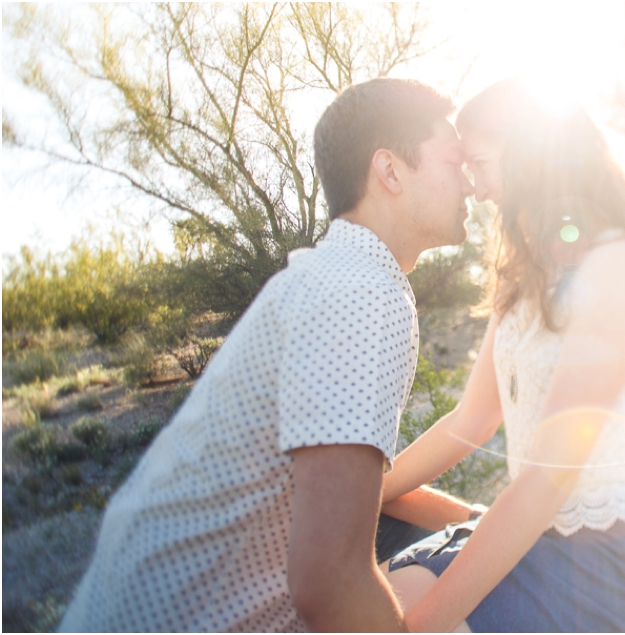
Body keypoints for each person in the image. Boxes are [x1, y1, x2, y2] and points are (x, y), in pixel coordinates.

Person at [58, 77, 478, 632]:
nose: (469, 183)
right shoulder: (363, 295)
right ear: (390, 170)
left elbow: (352, 493)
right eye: (453, 161)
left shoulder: (328, 276)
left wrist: (475, 520)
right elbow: (331, 584)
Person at [379, 79, 625, 633]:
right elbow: (471, 420)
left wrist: (421, 626)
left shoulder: (617, 265)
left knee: (399, 616)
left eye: (479, 163)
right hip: (549, 529)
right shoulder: (524, 277)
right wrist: (369, 492)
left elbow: (549, 477)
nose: (475, 189)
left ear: (532, 154)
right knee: (374, 590)